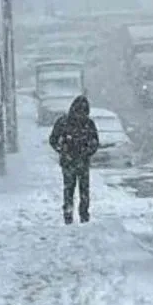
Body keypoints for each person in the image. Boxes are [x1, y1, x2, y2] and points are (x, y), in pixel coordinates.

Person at [48, 95, 99, 224]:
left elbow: (95, 142)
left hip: (80, 162)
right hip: (70, 162)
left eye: (83, 111)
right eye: (79, 110)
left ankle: (82, 215)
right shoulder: (64, 122)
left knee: (81, 190)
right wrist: (63, 150)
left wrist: (86, 152)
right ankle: (70, 215)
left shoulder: (87, 124)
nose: (81, 114)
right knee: (70, 190)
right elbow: (53, 140)